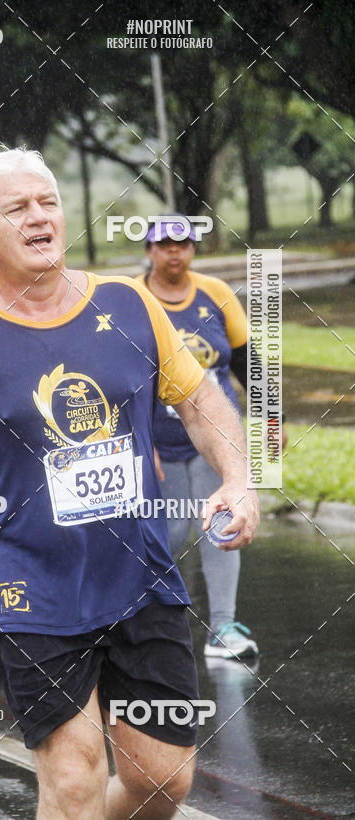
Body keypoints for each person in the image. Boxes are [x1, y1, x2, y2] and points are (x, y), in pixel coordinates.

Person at [0, 150, 260, 819]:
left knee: (164, 780)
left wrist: (238, 478)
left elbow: (200, 399)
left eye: (47, 201)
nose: (39, 217)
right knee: (74, 781)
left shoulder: (129, 305)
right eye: (17, 208)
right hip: (28, 589)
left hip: (138, 577)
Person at [140, 219, 281, 661]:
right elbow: (122, 380)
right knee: (172, 532)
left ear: (194, 249)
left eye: (182, 244)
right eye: (164, 245)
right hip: (159, 441)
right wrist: (141, 445)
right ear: (149, 250)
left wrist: (270, 417)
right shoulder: (132, 300)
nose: (174, 253)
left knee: (222, 526)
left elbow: (246, 361)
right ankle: (161, 626)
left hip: (216, 441)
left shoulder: (216, 294)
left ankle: (222, 627)